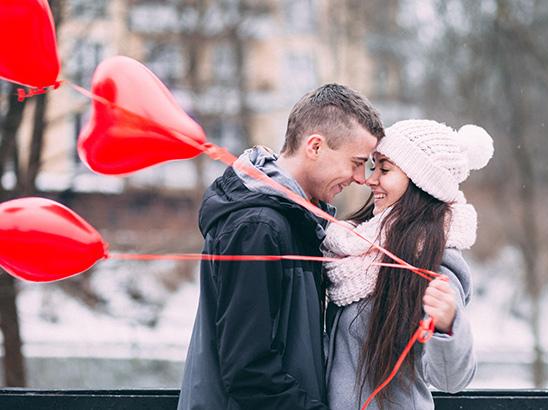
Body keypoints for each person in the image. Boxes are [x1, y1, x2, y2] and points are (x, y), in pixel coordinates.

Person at [178, 83, 384, 410]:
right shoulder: (258, 227)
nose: (361, 178)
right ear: (315, 146)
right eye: (356, 162)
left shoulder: (296, 220)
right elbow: (248, 370)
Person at [323, 119, 494, 409]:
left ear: (420, 181)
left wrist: (447, 324)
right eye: (373, 166)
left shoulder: (433, 261)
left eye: (385, 169)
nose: (371, 179)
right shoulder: (352, 250)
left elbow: (451, 380)